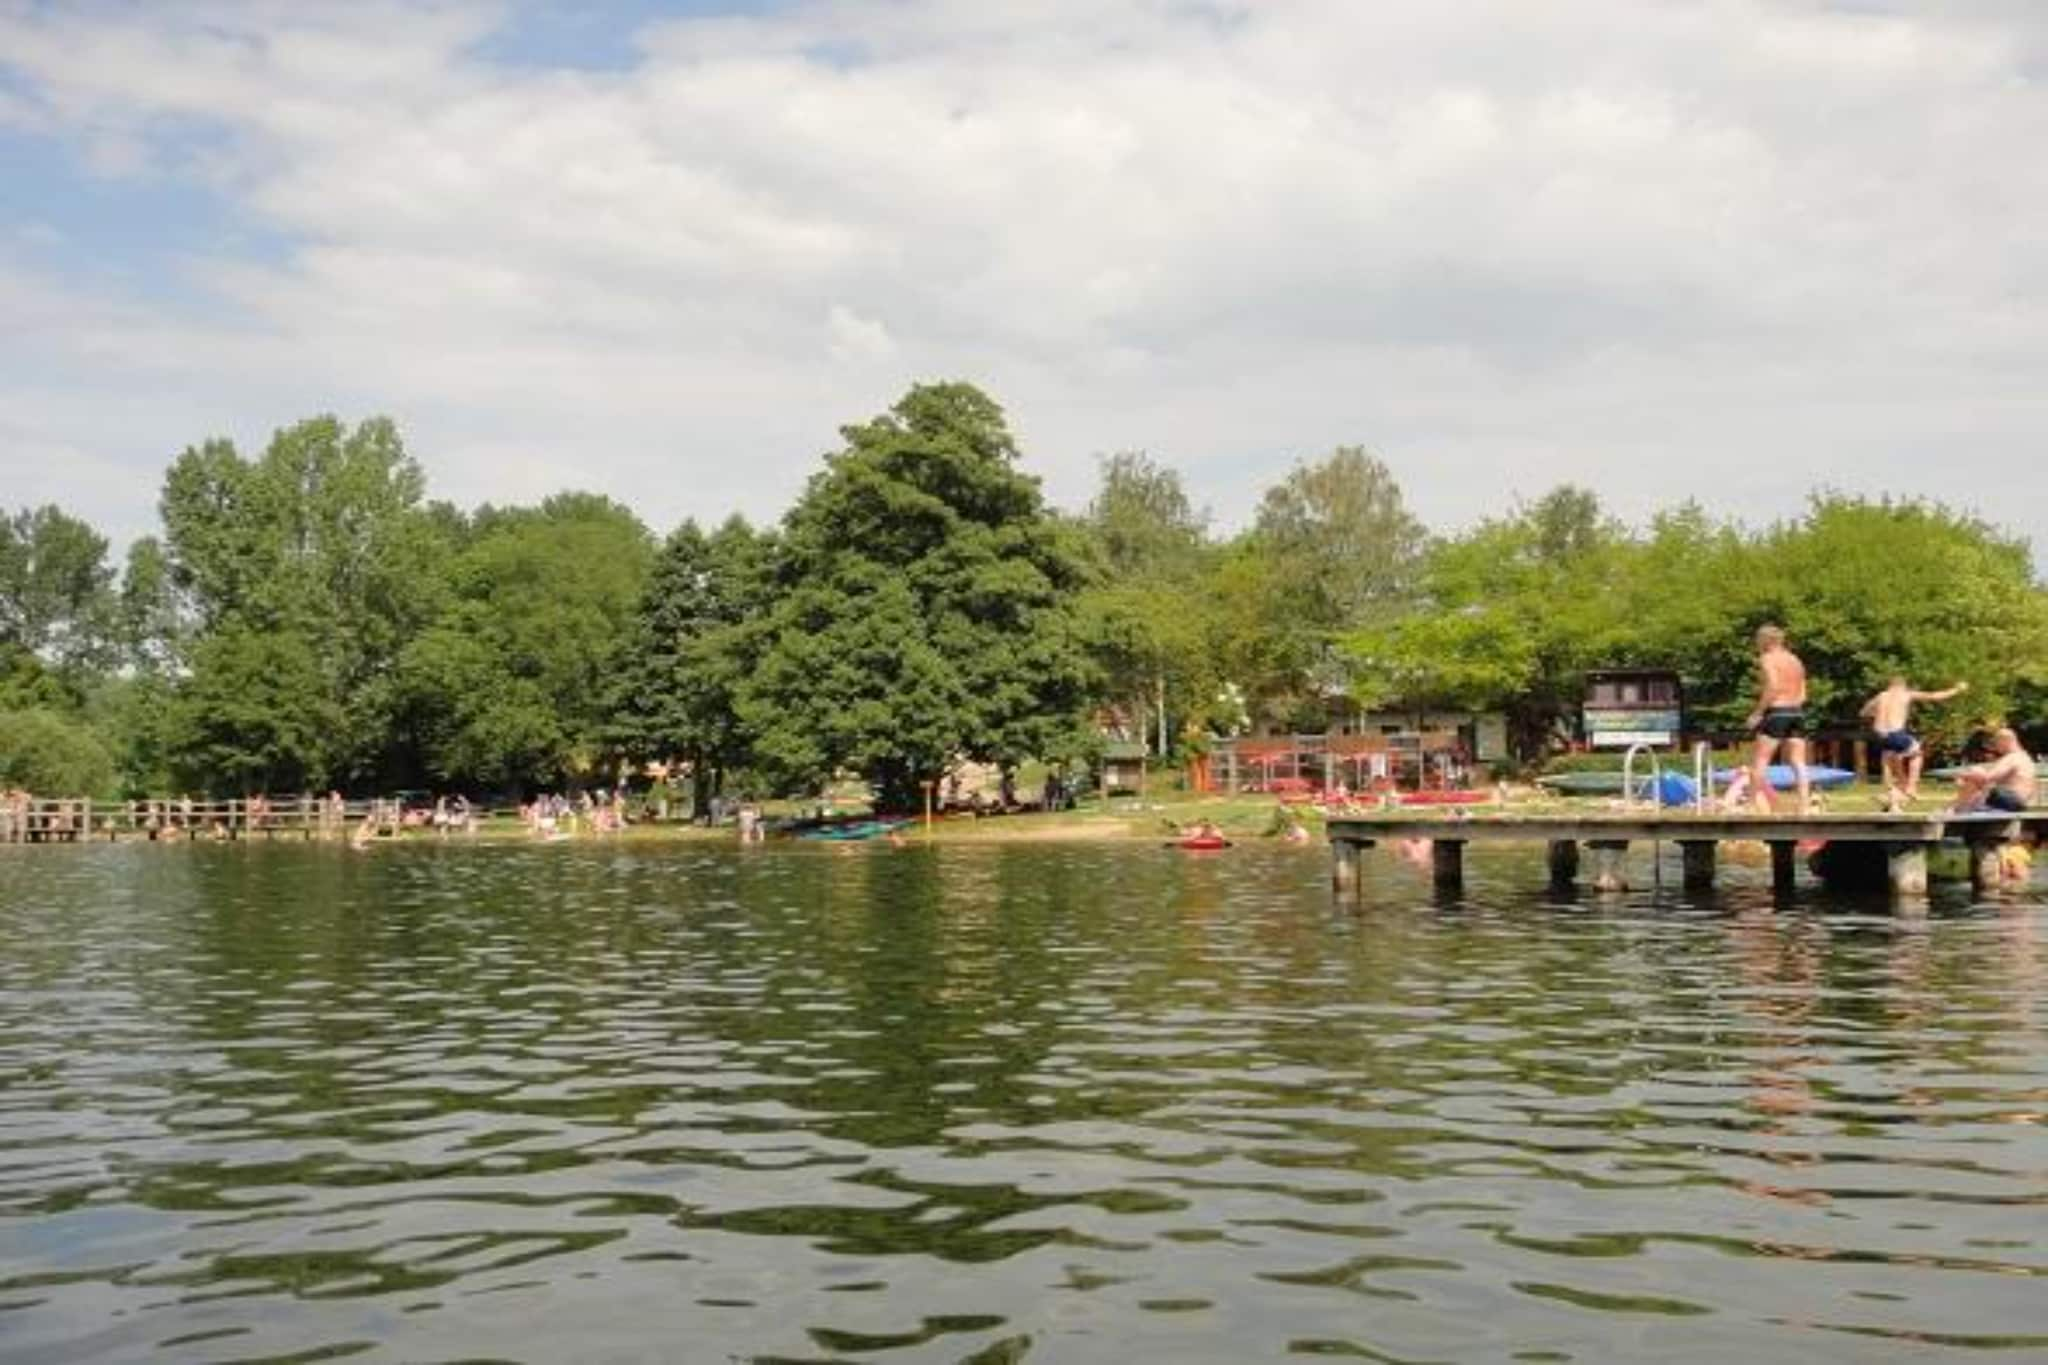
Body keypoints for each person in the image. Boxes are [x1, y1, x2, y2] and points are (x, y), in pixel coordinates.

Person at [1860, 676, 1968, 809]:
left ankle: (1894, 794)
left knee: (1890, 760)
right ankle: (1911, 787)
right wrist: (1957, 689)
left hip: (1879, 735)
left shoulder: (1881, 695)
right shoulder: (1906, 694)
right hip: (1896, 733)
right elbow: (1934, 696)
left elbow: (1863, 712)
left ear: (1889, 685)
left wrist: (1877, 714)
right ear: (1903, 686)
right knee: (1917, 752)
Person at [1744, 624, 1811, 815]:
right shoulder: (1795, 660)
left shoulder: (1767, 658)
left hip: (1777, 712)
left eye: (1758, 640)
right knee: (1798, 761)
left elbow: (1773, 686)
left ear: (1766, 640)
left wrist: (1757, 713)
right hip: (1797, 712)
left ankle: (1751, 804)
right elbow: (1804, 694)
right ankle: (1804, 805)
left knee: (1761, 760)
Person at [1951, 727, 2037, 813]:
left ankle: (1959, 809)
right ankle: (1960, 808)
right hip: (2017, 801)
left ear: (2005, 740)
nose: (1996, 747)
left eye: (1996, 743)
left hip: (2010, 799)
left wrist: (1962, 775)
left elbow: (1986, 777)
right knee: (1976, 780)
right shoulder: (2024, 757)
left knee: (1977, 772)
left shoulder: (2012, 758)